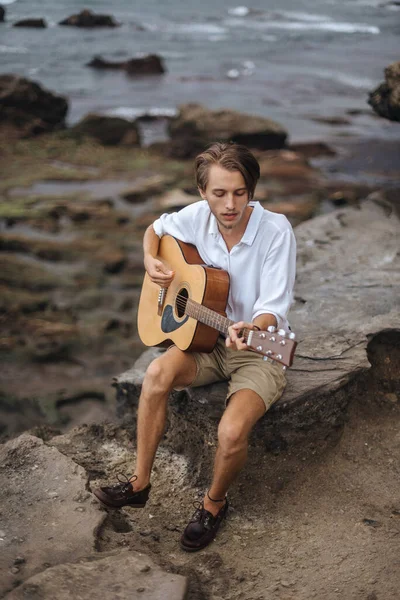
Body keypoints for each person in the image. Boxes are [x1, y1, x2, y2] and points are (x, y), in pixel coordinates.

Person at [93, 142, 296, 551]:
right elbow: (156, 229)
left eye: (240, 192)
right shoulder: (194, 218)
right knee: (155, 375)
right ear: (203, 192)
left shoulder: (276, 231)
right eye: (219, 193)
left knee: (232, 431)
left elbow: (272, 305)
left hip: (259, 346)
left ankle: (213, 504)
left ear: (251, 190)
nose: (229, 204)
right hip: (205, 342)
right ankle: (140, 482)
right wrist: (150, 260)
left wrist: (252, 328)